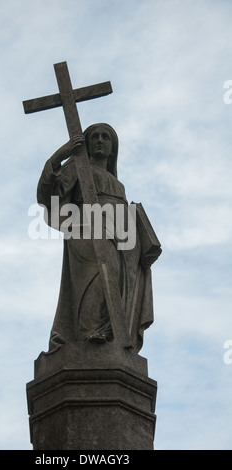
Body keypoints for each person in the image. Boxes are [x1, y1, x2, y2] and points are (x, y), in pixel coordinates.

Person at [37, 123, 161, 352]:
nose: (100, 140)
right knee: (97, 276)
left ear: (113, 148)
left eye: (106, 137)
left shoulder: (117, 183)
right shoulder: (77, 167)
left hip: (124, 236)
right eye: (95, 137)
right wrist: (60, 156)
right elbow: (49, 194)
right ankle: (87, 333)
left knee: (120, 281)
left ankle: (110, 336)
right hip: (87, 228)